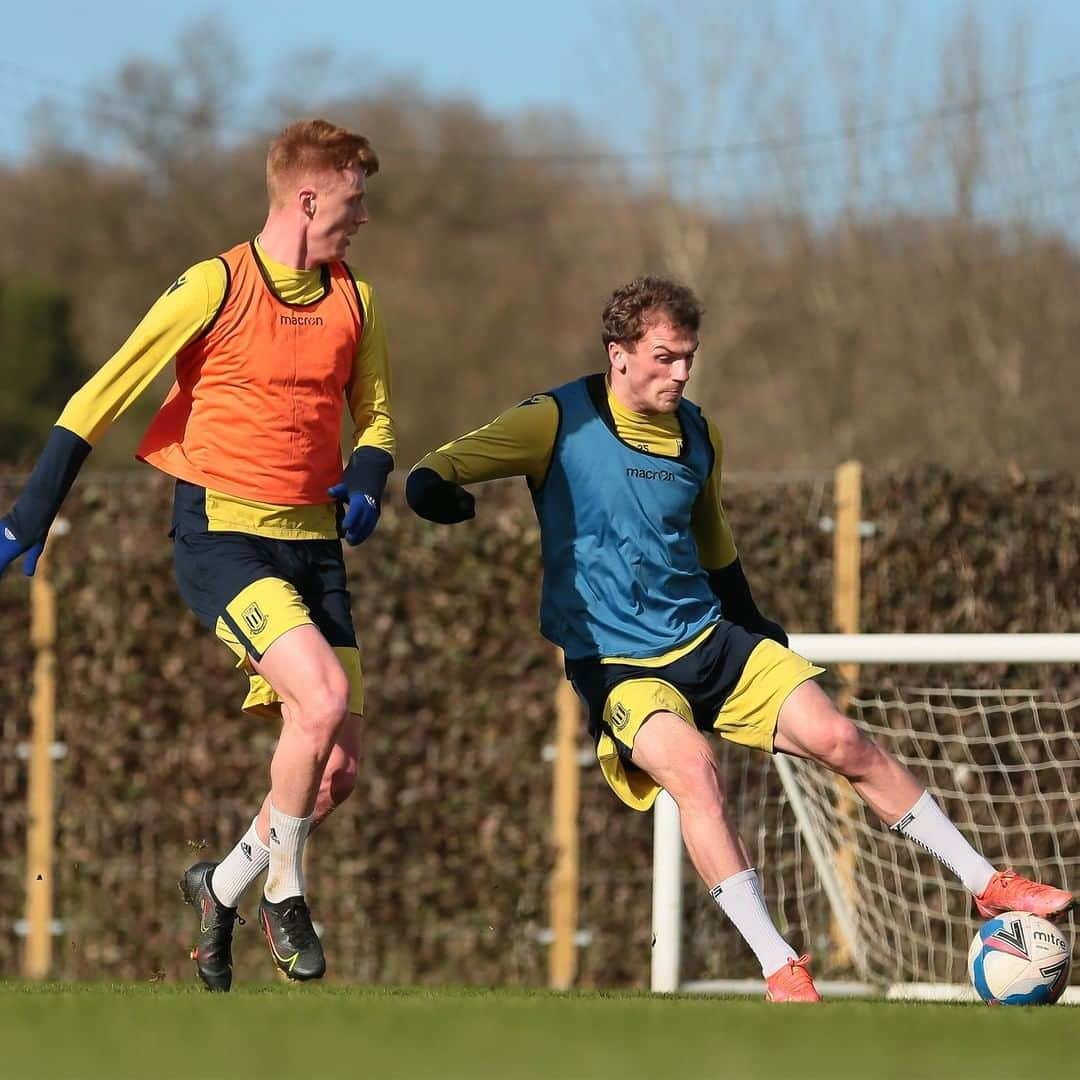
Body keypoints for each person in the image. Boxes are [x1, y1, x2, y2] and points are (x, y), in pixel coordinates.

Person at [404, 275, 1074, 1002]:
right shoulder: (555, 421)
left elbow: (716, 548)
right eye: (665, 356)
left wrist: (760, 633)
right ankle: (780, 967)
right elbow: (436, 468)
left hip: (708, 637)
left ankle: (985, 883)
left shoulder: (698, 432)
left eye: (689, 356)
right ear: (618, 353)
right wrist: (439, 493)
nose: (682, 372)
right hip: (617, 663)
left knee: (841, 739)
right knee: (693, 770)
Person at [0, 119, 394, 991]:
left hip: (314, 549)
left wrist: (369, 475)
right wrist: (31, 512)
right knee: (320, 697)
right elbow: (101, 394)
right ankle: (284, 895)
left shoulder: (356, 298)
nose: (363, 215)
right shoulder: (213, 286)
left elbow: (376, 413)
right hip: (221, 537)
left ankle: (217, 887)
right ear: (306, 196)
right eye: (353, 198)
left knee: (335, 774)